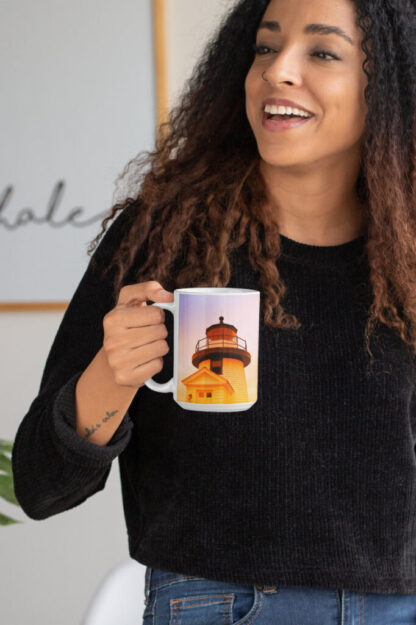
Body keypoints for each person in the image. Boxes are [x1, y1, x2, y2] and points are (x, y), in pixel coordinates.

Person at [11, 0, 416, 623]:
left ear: (388, 85)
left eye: (322, 52)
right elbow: (41, 487)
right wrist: (112, 375)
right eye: (265, 47)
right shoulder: (162, 239)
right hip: (219, 604)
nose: (277, 70)